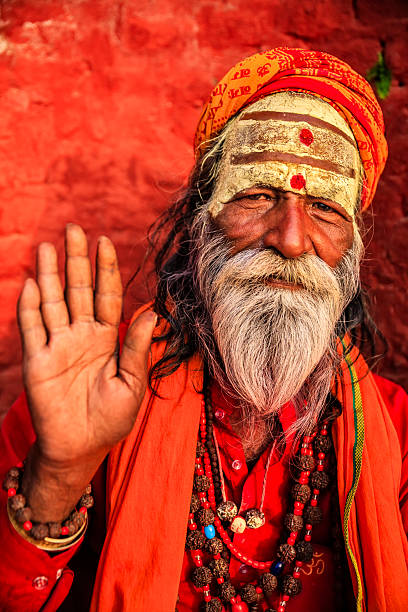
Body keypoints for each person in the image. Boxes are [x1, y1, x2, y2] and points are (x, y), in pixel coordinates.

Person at [0, 48, 407, 612]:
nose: (290, 239)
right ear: (202, 219)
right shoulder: (91, 390)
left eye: (324, 209)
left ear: (351, 249)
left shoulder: (396, 430)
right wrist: (61, 474)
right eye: (258, 196)